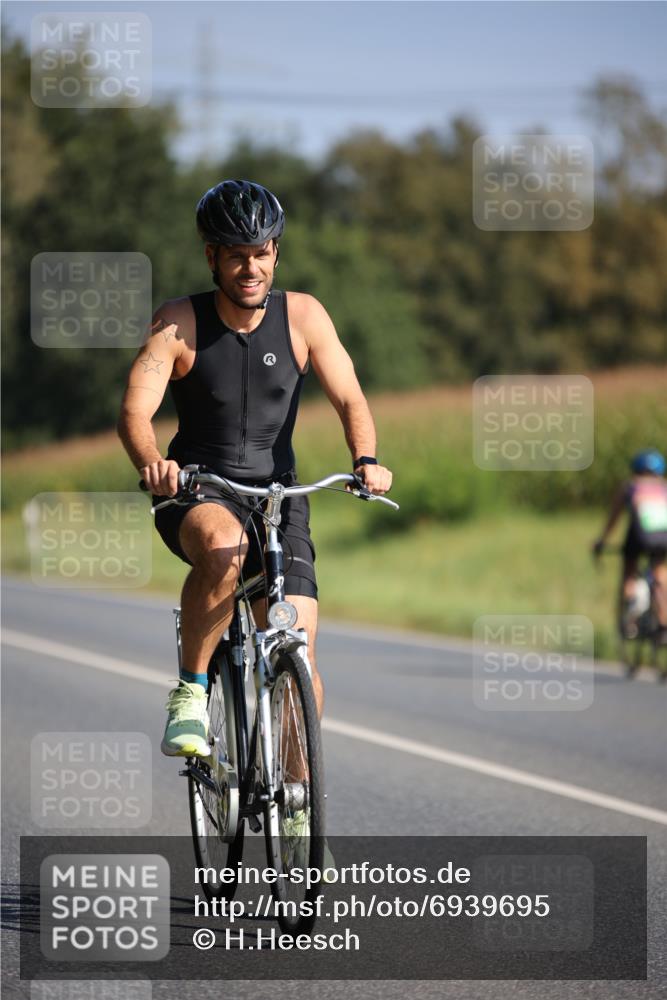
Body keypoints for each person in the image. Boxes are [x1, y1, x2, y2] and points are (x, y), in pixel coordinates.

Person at [117, 179, 393, 757]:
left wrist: (365, 459)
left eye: (262, 252)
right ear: (211, 256)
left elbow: (351, 398)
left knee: (301, 654)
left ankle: (296, 812)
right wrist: (154, 464)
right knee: (224, 547)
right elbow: (135, 412)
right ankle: (191, 692)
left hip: (279, 497)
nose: (251, 267)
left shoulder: (304, 316)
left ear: (276, 252)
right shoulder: (177, 322)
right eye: (237, 254)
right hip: (197, 489)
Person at [592, 449, 667, 640]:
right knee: (660, 575)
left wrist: (602, 541)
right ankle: (663, 623)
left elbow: (614, 518)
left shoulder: (630, 487)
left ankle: (631, 610)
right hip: (664, 539)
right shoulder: (664, 488)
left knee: (630, 569)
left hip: (640, 538)